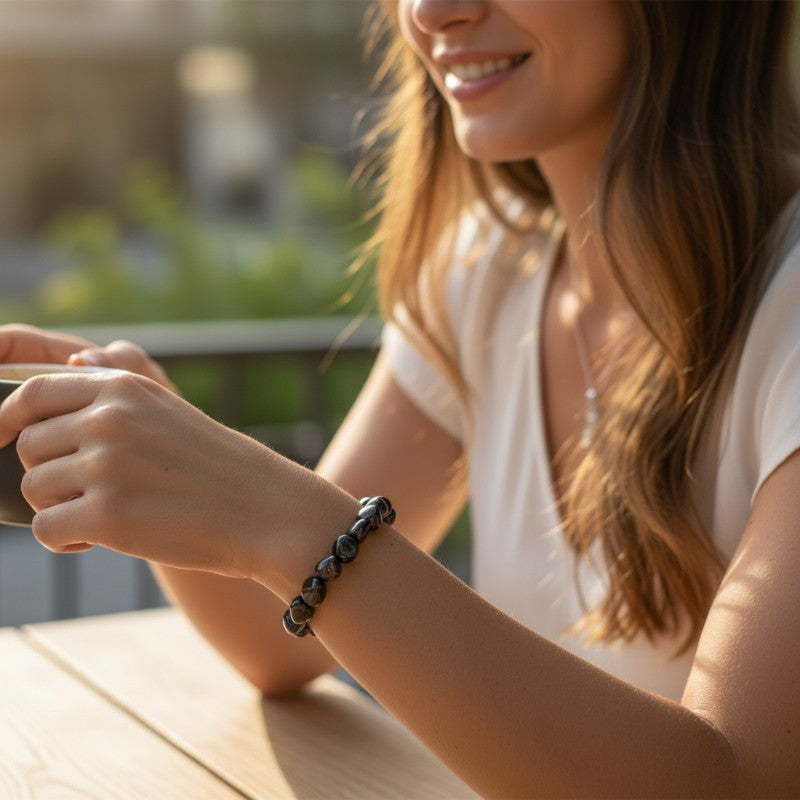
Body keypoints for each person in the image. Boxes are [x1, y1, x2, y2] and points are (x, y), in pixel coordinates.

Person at [0, 1, 798, 795]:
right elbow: (282, 640)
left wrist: (284, 518)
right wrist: (156, 435)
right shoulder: (487, 275)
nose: (431, 12)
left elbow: (740, 782)